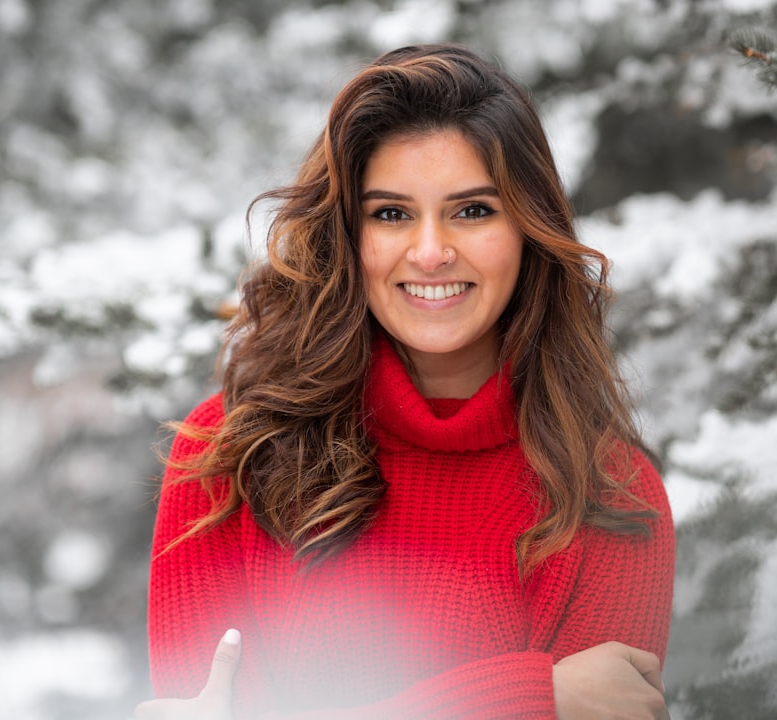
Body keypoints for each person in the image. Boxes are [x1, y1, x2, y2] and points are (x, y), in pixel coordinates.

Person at [134, 43, 675, 720]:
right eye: (391, 213)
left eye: (473, 210)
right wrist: (532, 697)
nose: (429, 251)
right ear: (347, 237)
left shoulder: (611, 497)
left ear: (529, 231)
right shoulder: (226, 457)